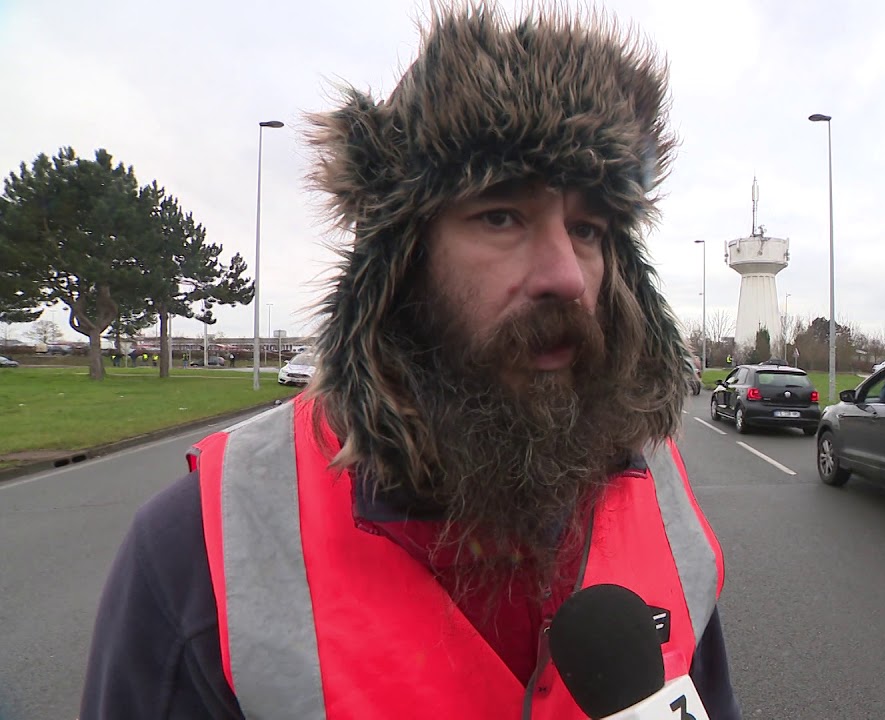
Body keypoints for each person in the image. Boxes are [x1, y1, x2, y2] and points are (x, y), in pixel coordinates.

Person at [80, 7, 739, 720]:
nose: (568, 277)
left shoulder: (657, 490)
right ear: (399, 264)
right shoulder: (204, 548)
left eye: (587, 229)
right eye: (501, 216)